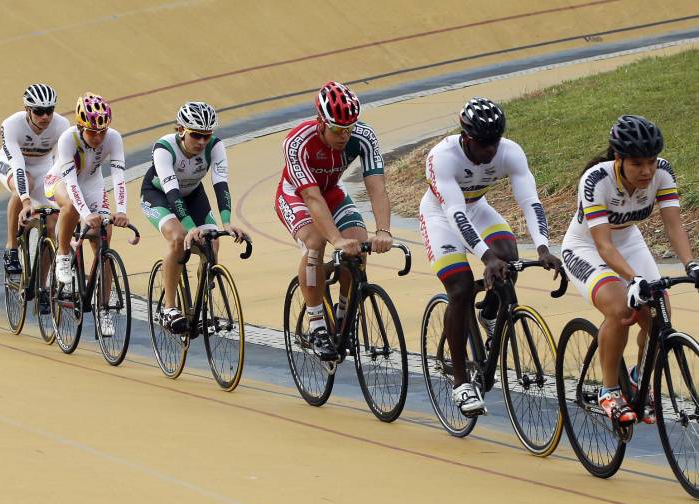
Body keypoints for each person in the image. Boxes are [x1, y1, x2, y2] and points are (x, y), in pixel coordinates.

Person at [419, 97, 561, 416]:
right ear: (466, 138)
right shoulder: (442, 157)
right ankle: (460, 383)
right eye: (483, 144)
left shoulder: (510, 151)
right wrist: (485, 258)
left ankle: (489, 313)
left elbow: (531, 202)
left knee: (509, 257)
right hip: (441, 216)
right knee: (459, 289)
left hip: (477, 209)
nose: (490, 151)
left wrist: (542, 247)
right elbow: (454, 214)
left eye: (494, 143)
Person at [562, 115, 698, 425]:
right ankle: (609, 391)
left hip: (628, 241)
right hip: (588, 247)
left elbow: (674, 224)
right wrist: (633, 279)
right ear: (618, 158)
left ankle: (639, 377)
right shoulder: (596, 180)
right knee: (621, 307)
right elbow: (604, 245)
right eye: (637, 163)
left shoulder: (662, 173)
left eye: (650, 161)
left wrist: (692, 264)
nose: (647, 171)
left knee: (658, 309)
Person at [274, 81, 393, 361]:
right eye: (338, 129)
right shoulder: (297, 142)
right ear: (320, 122)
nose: (344, 135)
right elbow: (313, 199)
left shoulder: (363, 137)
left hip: (333, 192)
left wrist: (384, 230)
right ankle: (316, 325)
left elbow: (377, 187)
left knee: (360, 246)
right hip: (297, 194)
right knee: (316, 242)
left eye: (349, 128)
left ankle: (343, 318)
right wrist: (336, 240)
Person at [140, 101, 248, 332]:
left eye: (206, 136)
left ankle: (198, 306)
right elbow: (172, 193)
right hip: (159, 195)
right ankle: (169, 309)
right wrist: (190, 227)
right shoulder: (164, 148)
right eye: (196, 135)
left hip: (193, 194)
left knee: (213, 241)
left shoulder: (215, 146)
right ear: (181, 130)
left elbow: (221, 185)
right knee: (179, 238)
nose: (201, 142)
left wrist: (227, 222)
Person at [44, 92, 129, 336]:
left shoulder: (114, 138)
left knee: (104, 245)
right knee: (70, 206)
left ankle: (103, 310)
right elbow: (70, 183)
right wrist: (84, 214)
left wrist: (121, 210)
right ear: (81, 127)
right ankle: (62, 255)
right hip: (60, 181)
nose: (99, 137)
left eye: (102, 131)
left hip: (93, 184)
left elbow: (119, 178)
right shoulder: (67, 139)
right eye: (92, 132)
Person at [0, 83, 69, 275]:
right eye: (39, 111)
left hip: (43, 167)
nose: (45, 116)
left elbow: (61, 164)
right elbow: (18, 166)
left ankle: (43, 288)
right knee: (24, 184)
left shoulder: (62, 125)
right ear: (27, 109)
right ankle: (11, 247)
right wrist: (26, 201)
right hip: (12, 164)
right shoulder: (11, 125)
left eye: (49, 110)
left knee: (52, 225)